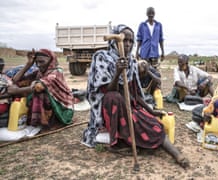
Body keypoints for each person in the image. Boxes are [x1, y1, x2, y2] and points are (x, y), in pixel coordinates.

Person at [81, 24, 189, 169]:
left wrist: (151, 111)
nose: (127, 44)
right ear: (115, 41)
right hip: (108, 108)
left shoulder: (131, 61)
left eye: (131, 41)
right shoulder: (102, 57)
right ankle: (116, 142)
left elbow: (135, 94)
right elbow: (106, 90)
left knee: (154, 125)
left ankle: (177, 155)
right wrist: (118, 72)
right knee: (115, 97)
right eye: (125, 39)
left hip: (128, 106)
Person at [10, 49, 74, 129]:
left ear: (51, 61)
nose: (38, 65)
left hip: (63, 108)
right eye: (36, 62)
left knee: (39, 94)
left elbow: (38, 87)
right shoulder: (40, 72)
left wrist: (15, 90)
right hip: (53, 104)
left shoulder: (56, 72)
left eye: (41, 62)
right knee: (25, 86)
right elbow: (16, 80)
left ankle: (44, 121)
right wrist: (28, 64)